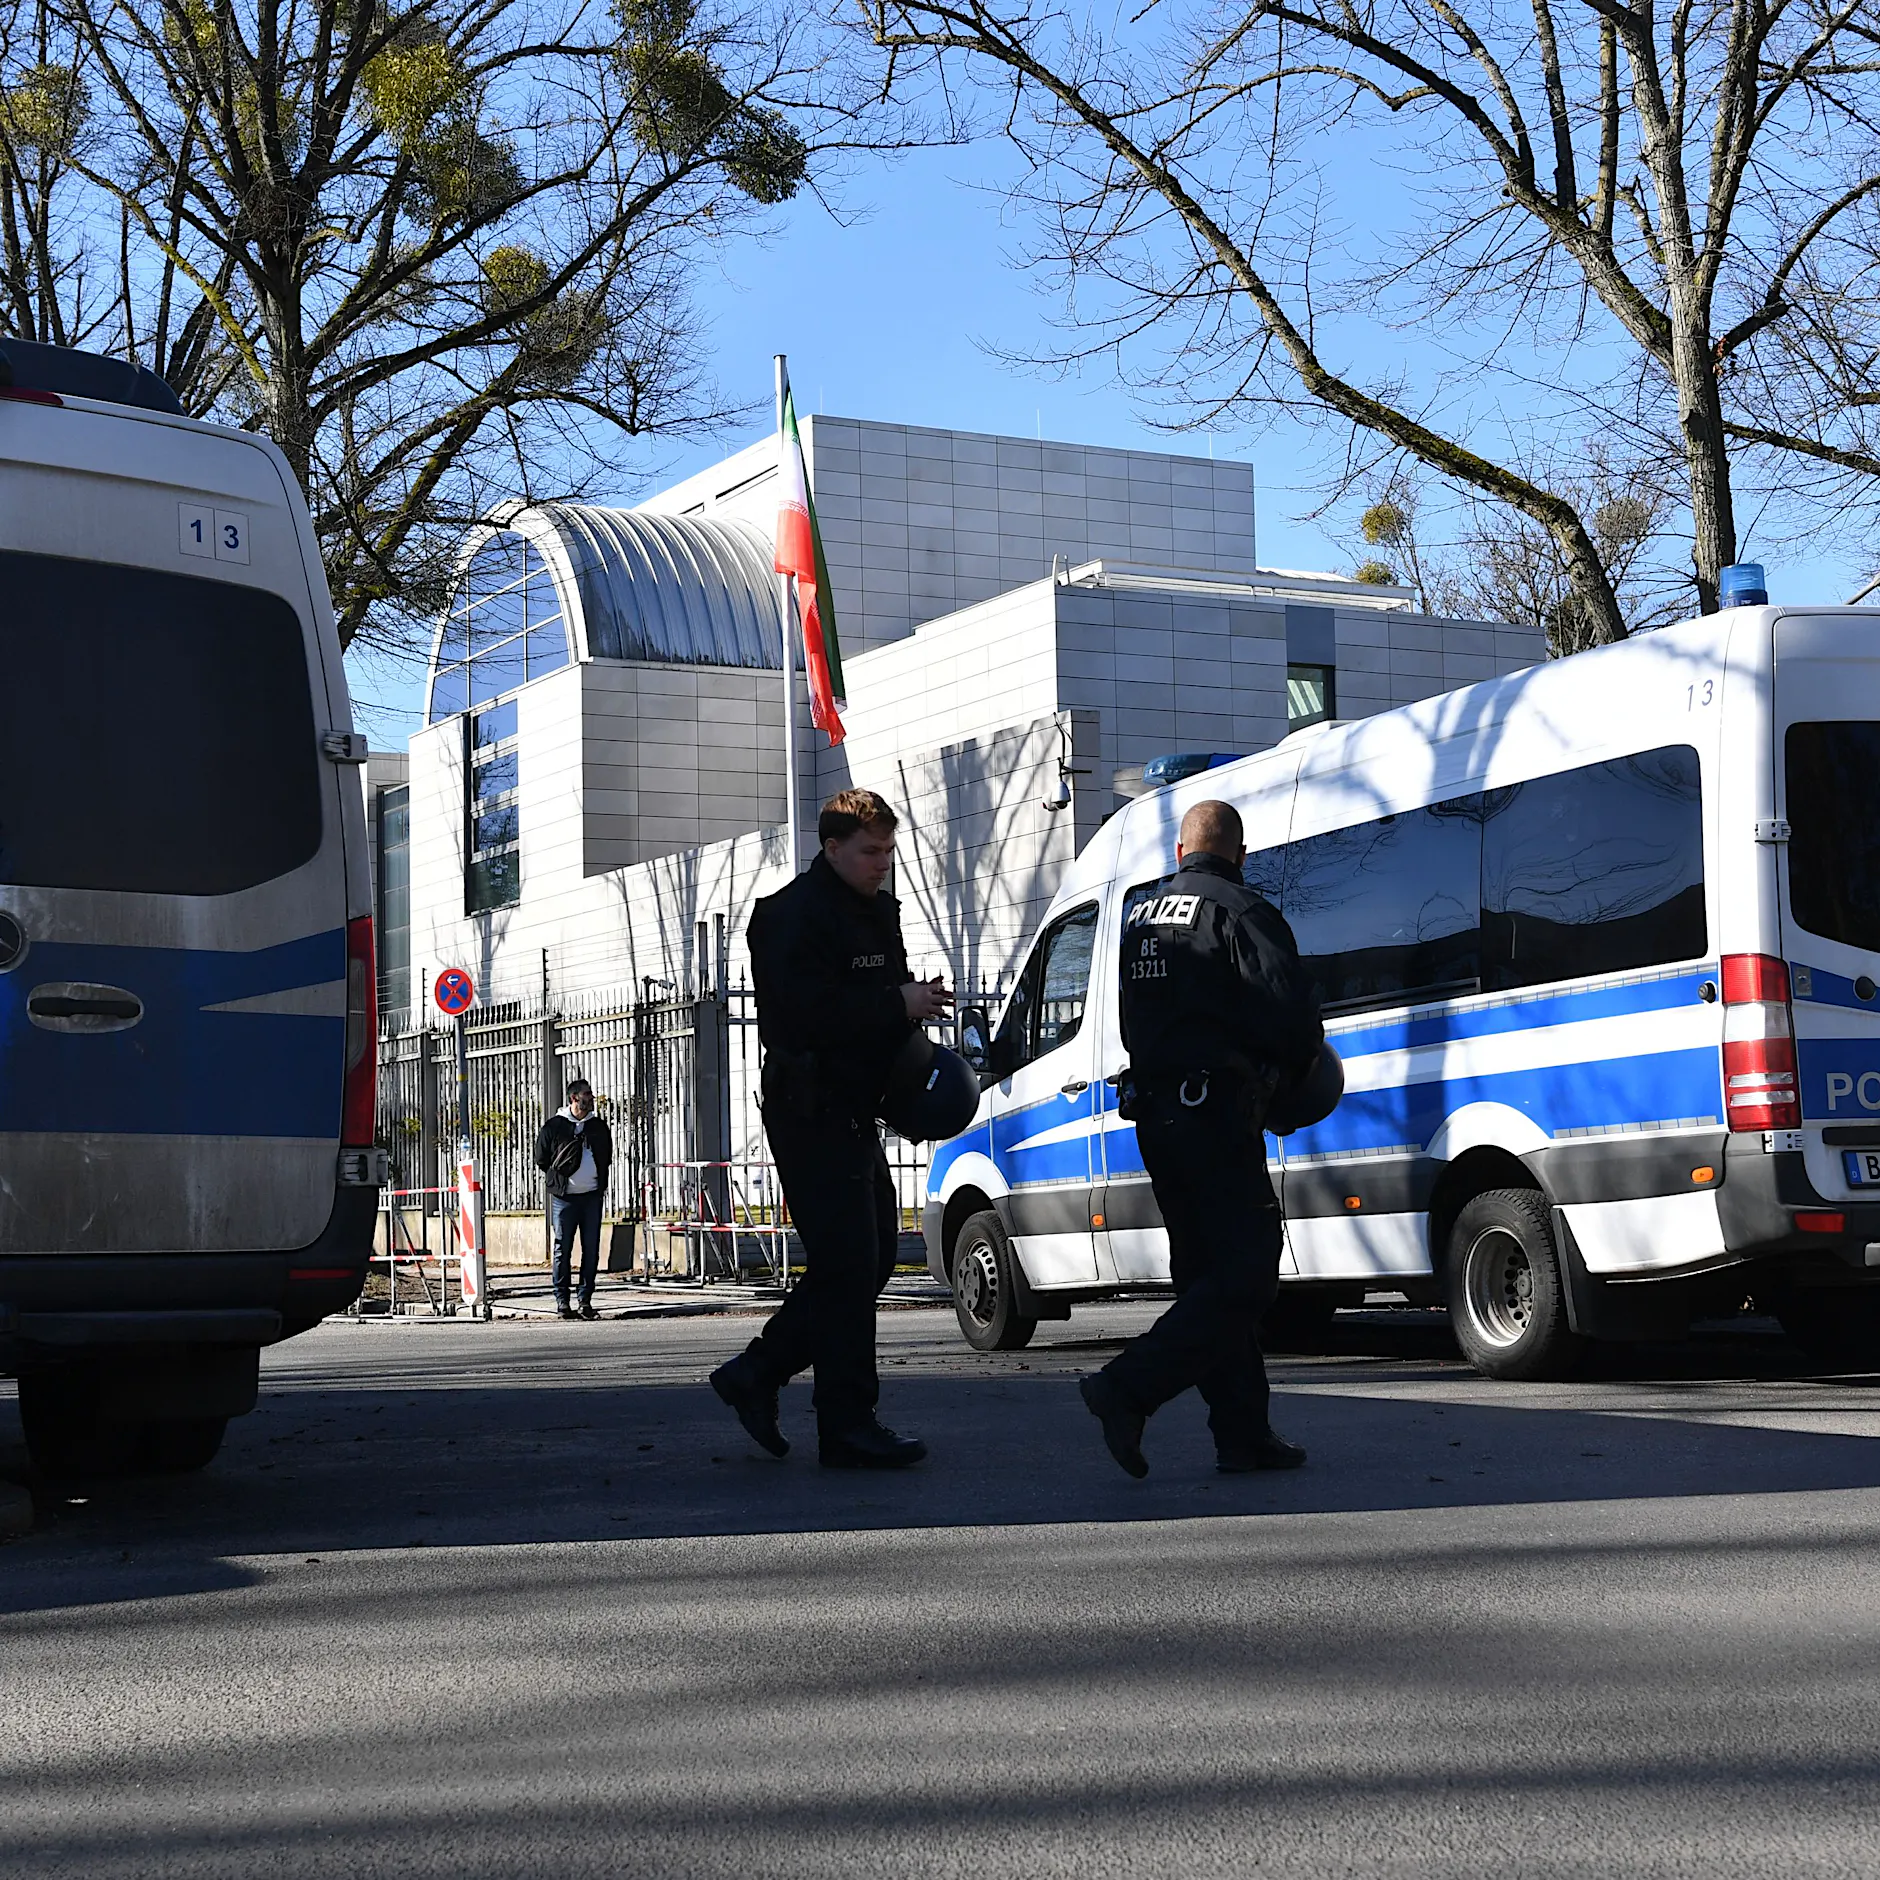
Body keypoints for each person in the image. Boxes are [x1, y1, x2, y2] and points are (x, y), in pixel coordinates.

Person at [1080, 798, 1323, 1477]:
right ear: (1238, 854)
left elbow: (1133, 1021)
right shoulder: (1240, 912)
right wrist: (1283, 1082)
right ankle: (1126, 1388)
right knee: (1246, 1275)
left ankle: (1242, 1435)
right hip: (1216, 1115)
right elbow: (1292, 1017)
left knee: (1209, 1281)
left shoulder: (1140, 917)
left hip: (1159, 1116)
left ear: (1180, 851)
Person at [709, 789, 951, 1468]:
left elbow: (881, 1003)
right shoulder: (789, 916)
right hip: (808, 1108)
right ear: (833, 847)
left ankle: (757, 1374)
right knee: (848, 1265)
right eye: (871, 851)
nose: (883, 863)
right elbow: (803, 1014)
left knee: (867, 1261)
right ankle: (845, 1422)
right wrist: (891, 1002)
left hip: (854, 1106)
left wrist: (915, 1006)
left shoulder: (879, 913)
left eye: (888, 850)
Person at [534, 1078, 613, 1321]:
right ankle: (562, 1301)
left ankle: (585, 1300)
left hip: (591, 1197)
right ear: (574, 1098)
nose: (591, 1098)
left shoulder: (598, 1126)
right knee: (562, 1249)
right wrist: (560, 1176)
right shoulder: (554, 1126)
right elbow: (541, 1158)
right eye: (587, 1094)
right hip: (564, 1198)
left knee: (591, 1250)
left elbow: (607, 1156)